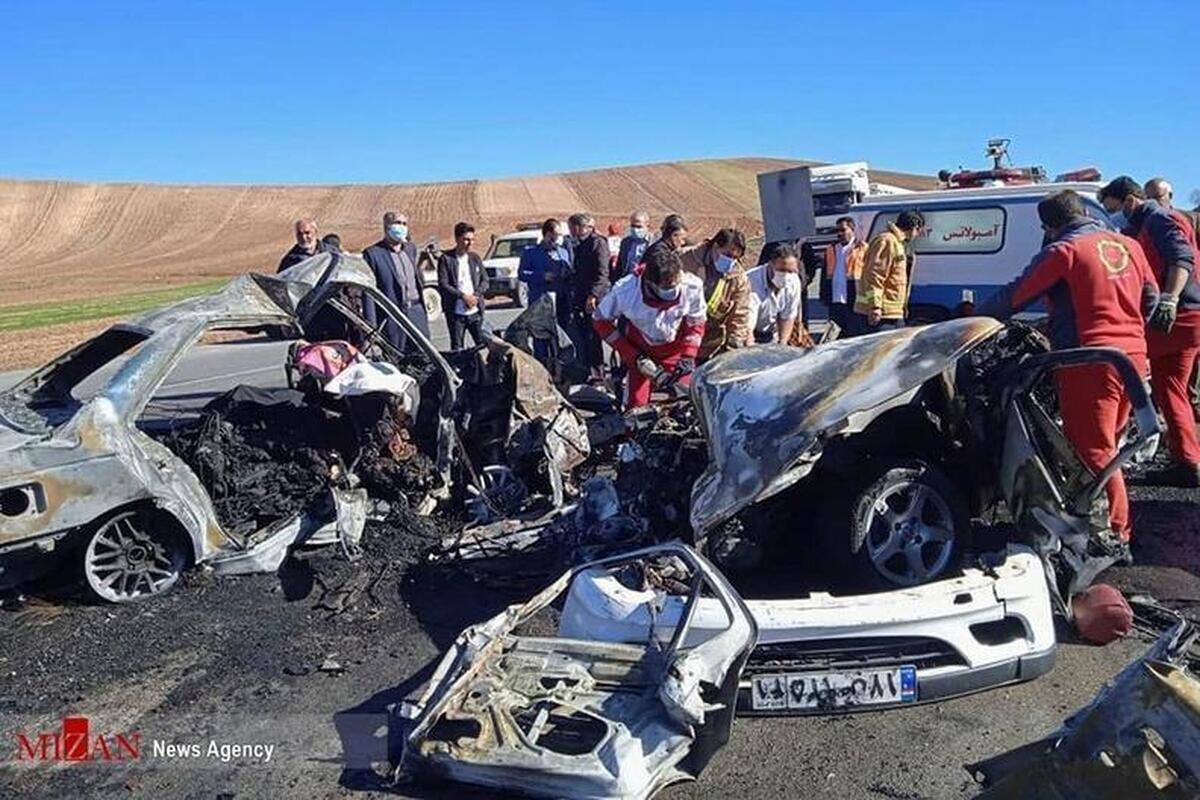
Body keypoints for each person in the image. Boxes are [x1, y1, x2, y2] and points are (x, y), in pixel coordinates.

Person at [979, 190, 1157, 547]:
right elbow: (1151, 296)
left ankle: (1114, 533)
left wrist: (970, 318)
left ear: (1049, 226)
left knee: (1093, 450)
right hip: (1133, 359)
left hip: (1088, 362)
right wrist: (1130, 330)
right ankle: (1099, 517)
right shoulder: (1130, 246)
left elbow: (1015, 296)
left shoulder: (1064, 251)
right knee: (1111, 445)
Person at [1100, 176, 1200, 487]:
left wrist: (1169, 299)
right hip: (1189, 317)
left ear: (1130, 200)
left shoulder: (1159, 220)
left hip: (1178, 318)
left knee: (1152, 383)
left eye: (1113, 208)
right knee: (1173, 390)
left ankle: (1186, 463)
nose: (1115, 215)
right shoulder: (1151, 223)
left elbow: (1181, 258)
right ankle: (1187, 458)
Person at [593, 246, 706, 409]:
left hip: (676, 353)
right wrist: (630, 353)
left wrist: (689, 355)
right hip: (641, 354)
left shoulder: (691, 286)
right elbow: (600, 320)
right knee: (635, 407)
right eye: (667, 287)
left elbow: (696, 322)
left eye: (675, 284)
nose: (673, 290)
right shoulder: (626, 291)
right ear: (649, 282)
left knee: (694, 402)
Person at [361, 211, 430, 352]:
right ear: (387, 226)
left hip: (416, 313)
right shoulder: (373, 254)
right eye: (398, 223)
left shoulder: (410, 249)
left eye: (405, 224)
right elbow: (368, 294)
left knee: (423, 356)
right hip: (393, 317)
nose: (402, 227)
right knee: (397, 357)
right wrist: (370, 328)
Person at [680, 228, 751, 360]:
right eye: (727, 255)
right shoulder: (686, 259)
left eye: (736, 258)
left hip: (708, 343)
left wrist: (734, 342)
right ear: (715, 246)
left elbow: (740, 313)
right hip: (677, 336)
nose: (731, 261)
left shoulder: (738, 278)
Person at [854, 209, 924, 332]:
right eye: (919, 231)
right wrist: (875, 306)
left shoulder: (898, 243)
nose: (917, 235)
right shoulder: (887, 241)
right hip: (881, 315)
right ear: (915, 227)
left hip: (892, 313)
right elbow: (875, 275)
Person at [517, 218, 571, 362]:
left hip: (560, 302)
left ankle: (560, 368)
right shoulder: (530, 252)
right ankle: (542, 366)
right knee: (540, 340)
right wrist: (541, 276)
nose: (558, 238)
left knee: (560, 339)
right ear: (547, 234)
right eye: (556, 234)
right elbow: (522, 274)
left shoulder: (563, 252)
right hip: (539, 302)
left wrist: (566, 274)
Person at [566, 213, 611, 380]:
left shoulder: (597, 243)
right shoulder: (580, 244)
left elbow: (602, 273)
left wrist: (593, 295)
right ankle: (587, 369)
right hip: (580, 296)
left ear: (580, 227)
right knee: (584, 335)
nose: (570, 231)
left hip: (594, 299)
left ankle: (597, 373)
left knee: (594, 336)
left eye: (572, 227)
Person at [437, 222, 489, 349]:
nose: (470, 243)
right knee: (457, 347)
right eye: (466, 239)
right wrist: (463, 297)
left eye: (472, 239)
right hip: (456, 314)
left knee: (483, 344)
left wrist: (475, 296)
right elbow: (444, 284)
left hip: (475, 311)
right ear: (457, 239)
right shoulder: (446, 259)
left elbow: (485, 281)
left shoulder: (475, 258)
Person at [746, 243, 805, 344]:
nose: (786, 275)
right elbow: (747, 326)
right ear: (770, 264)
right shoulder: (750, 281)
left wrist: (782, 343)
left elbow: (787, 317)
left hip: (772, 333)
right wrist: (750, 348)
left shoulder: (794, 282)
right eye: (782, 270)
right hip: (748, 331)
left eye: (790, 271)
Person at [821, 217, 869, 336]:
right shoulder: (831, 249)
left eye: (843, 230)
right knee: (835, 336)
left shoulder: (862, 248)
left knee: (855, 335)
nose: (839, 233)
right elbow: (824, 274)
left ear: (852, 230)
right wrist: (824, 296)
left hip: (854, 300)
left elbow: (869, 275)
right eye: (837, 231)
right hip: (835, 301)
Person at [613, 210, 651, 281]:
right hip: (626, 281)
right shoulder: (626, 242)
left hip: (645, 281)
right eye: (633, 226)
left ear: (647, 225)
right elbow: (620, 265)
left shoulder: (652, 243)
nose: (635, 229)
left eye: (639, 227)